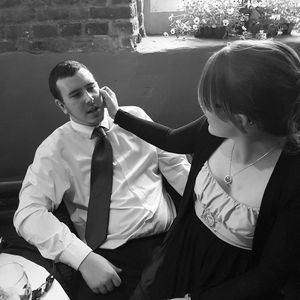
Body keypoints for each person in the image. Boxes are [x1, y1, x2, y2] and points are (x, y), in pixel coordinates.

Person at [101, 39, 300, 300]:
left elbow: (269, 275)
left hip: (230, 283)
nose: (203, 110)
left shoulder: (292, 179)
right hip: (181, 250)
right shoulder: (214, 131)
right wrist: (119, 115)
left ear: (241, 120)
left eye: (209, 104)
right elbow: (171, 139)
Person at [13, 60, 191, 300]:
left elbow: (180, 171)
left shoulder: (135, 118)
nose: (89, 98)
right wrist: (84, 259)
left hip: (172, 241)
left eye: (91, 87)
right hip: (113, 258)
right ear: (62, 106)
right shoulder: (55, 150)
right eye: (76, 95)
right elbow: (28, 214)